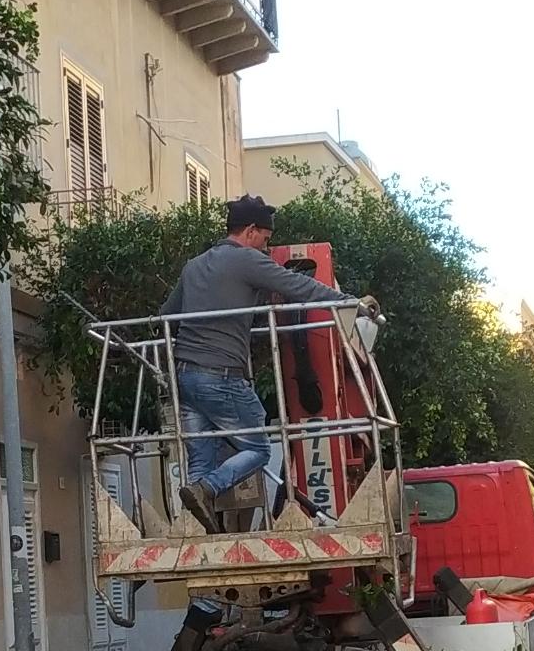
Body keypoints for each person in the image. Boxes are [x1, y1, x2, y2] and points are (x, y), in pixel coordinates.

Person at [158, 194, 378, 533]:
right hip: (222, 374)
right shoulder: (247, 261)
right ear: (249, 230)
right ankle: (209, 489)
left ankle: (197, 530)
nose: (266, 246)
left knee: (200, 460)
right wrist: (349, 303)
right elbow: (297, 285)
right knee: (259, 447)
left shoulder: (194, 266)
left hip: (184, 377)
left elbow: (167, 316)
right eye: (265, 237)